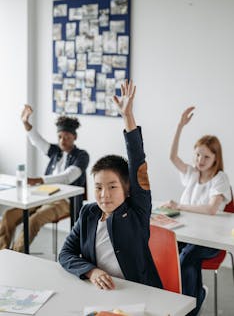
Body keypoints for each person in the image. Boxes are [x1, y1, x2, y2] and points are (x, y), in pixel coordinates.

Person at [59, 80, 162, 290]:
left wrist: (128, 117)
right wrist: (91, 270)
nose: (104, 194)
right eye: (98, 187)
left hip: (139, 293)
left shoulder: (137, 211)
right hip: (101, 293)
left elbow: (137, 162)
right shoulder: (88, 213)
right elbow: (65, 254)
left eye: (112, 186)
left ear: (127, 188)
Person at [163, 106, 232, 316]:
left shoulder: (220, 178)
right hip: (188, 232)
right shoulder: (192, 173)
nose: (200, 161)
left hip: (210, 239)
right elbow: (172, 156)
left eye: (206, 157)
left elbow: (211, 209)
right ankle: (192, 295)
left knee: (186, 258)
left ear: (215, 159)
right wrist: (180, 126)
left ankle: (191, 307)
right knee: (166, 252)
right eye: (197, 155)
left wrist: (179, 206)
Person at [0, 105, 89, 252]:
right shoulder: (55, 152)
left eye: (67, 137)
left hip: (65, 201)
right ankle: (2, 252)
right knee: (9, 215)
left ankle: (17, 254)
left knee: (33, 220)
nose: (63, 140)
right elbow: (37, 140)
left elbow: (68, 177)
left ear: (75, 137)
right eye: (60, 137)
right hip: (43, 194)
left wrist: (40, 180)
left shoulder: (82, 156)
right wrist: (25, 122)